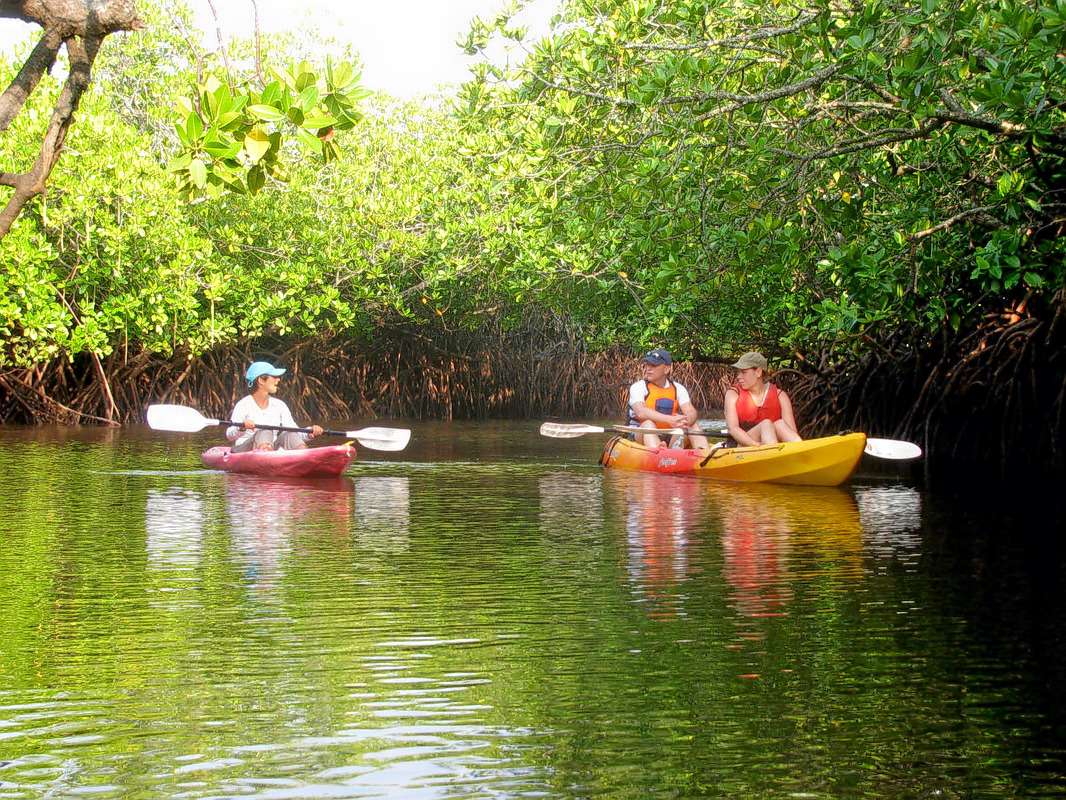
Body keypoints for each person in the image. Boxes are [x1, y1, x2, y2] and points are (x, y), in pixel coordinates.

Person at [226, 361, 324, 452]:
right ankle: (265, 454)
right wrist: (241, 427)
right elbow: (229, 435)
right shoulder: (243, 404)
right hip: (244, 449)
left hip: (271, 447)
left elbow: (295, 431)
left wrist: (309, 432)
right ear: (261, 380)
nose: (278, 380)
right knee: (264, 431)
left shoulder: (279, 405)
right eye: (274, 377)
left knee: (290, 434)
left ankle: (304, 456)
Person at [626, 348, 710, 449]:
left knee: (693, 425)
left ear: (666, 369)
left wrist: (686, 420)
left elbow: (690, 410)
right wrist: (669, 419)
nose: (648, 368)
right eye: (647, 364)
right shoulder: (638, 387)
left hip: (670, 434)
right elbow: (641, 412)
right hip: (642, 434)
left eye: (653, 365)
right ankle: (659, 453)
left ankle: (704, 454)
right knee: (648, 424)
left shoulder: (678, 388)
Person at [723, 351, 801, 446]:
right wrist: (755, 445)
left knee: (780, 424)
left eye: (744, 372)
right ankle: (772, 454)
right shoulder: (733, 394)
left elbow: (792, 431)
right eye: (738, 372)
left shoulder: (781, 396)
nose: (738, 377)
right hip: (743, 446)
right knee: (766, 425)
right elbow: (733, 429)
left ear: (758, 372)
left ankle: (801, 453)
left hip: (770, 444)